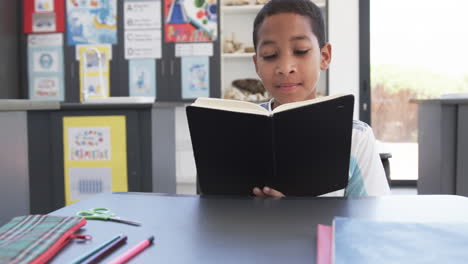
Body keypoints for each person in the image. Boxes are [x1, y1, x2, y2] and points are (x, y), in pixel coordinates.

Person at [250, 0, 390, 198]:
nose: (285, 67)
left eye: (300, 51)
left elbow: (371, 222)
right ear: (257, 64)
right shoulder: (240, 128)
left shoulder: (355, 138)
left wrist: (294, 212)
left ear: (324, 56)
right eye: (270, 55)